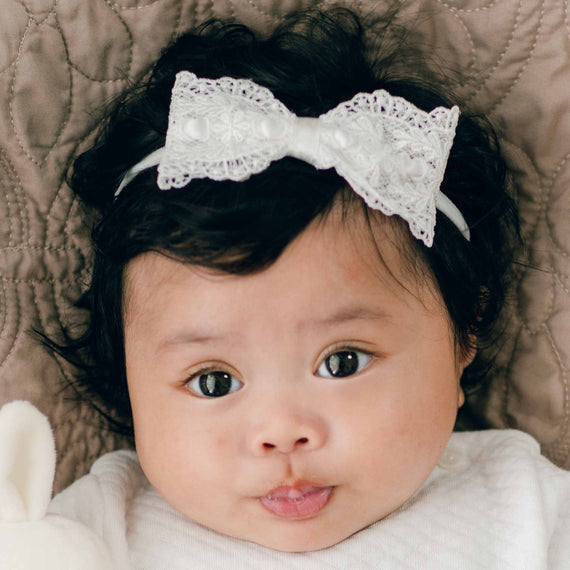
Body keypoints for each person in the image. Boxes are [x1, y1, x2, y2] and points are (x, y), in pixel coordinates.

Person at [45, 6, 570, 568]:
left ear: (464, 332)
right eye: (214, 381)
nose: (281, 432)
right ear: (128, 378)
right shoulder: (104, 524)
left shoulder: (521, 502)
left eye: (342, 361)